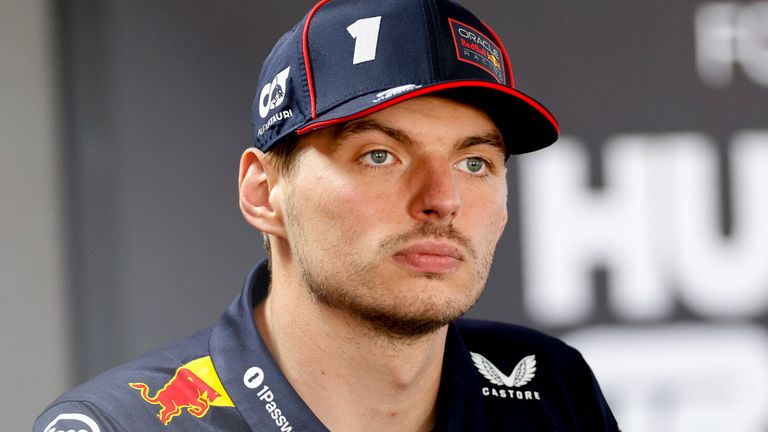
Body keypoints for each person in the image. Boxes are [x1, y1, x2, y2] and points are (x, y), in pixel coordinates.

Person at [36, 0, 620, 430]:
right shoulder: (121, 425)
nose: (442, 199)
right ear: (264, 192)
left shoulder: (549, 387)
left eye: (474, 162)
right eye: (379, 155)